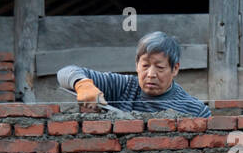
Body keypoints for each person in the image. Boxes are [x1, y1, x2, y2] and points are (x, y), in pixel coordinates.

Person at [56, 31, 211, 117]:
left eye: (159, 67)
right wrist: (83, 85)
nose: (150, 74)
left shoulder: (194, 110)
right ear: (136, 65)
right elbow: (65, 72)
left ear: (175, 69)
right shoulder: (123, 86)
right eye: (145, 66)